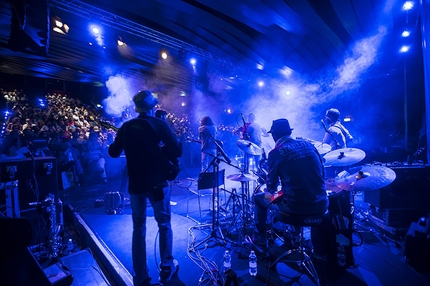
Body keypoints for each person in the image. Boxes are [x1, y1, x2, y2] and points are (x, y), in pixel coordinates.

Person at [108, 90, 182, 286]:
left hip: (136, 186)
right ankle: (167, 267)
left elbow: (114, 153)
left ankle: (140, 276)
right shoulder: (159, 124)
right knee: (164, 225)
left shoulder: (126, 126)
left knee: (138, 228)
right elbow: (177, 150)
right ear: (152, 107)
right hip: (158, 184)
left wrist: (116, 138)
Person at [250, 118, 330, 260]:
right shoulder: (309, 145)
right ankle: (301, 240)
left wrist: (272, 189)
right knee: (297, 192)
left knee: (258, 198)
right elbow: (321, 173)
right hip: (322, 203)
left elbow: (271, 188)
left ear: (274, 136)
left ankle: (261, 243)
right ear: (289, 132)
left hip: (298, 208)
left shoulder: (275, 152)